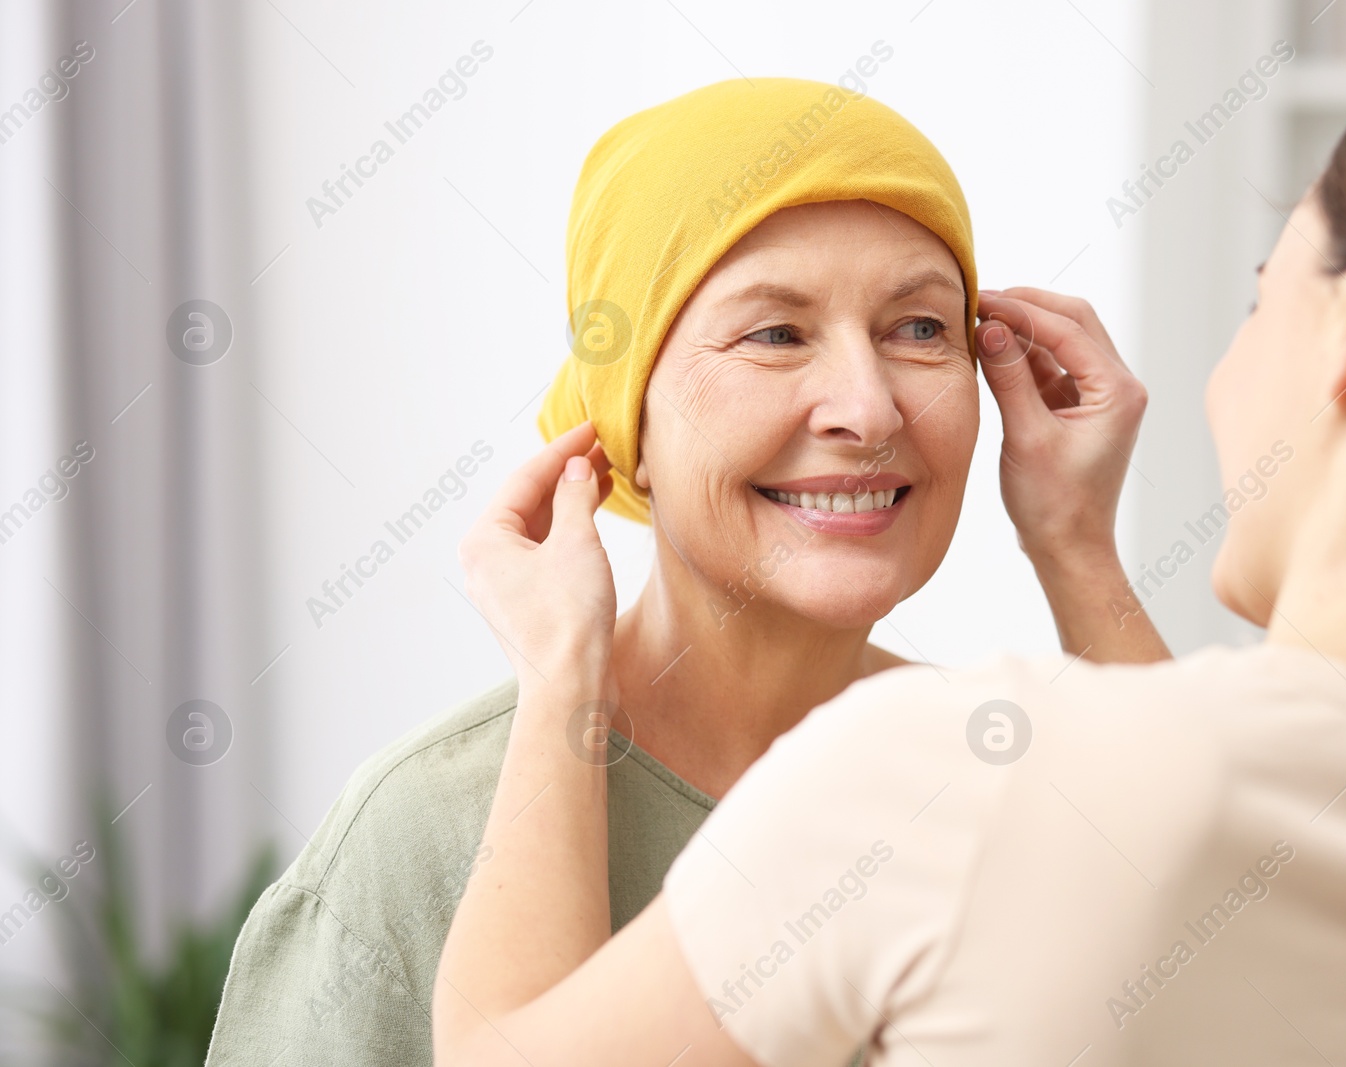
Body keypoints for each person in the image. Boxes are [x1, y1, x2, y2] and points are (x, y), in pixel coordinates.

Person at [432, 54, 1346, 1066]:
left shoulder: (940, 782)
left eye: (1259, 295)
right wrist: (1075, 543)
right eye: (776, 329)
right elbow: (1201, 843)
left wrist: (562, 672)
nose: (866, 403)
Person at [206, 78, 1158, 1066]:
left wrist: (1073, 535)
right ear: (630, 424)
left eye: (918, 328)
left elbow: (1230, 938)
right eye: (776, 333)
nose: (867, 410)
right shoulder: (421, 836)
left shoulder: (1005, 778)